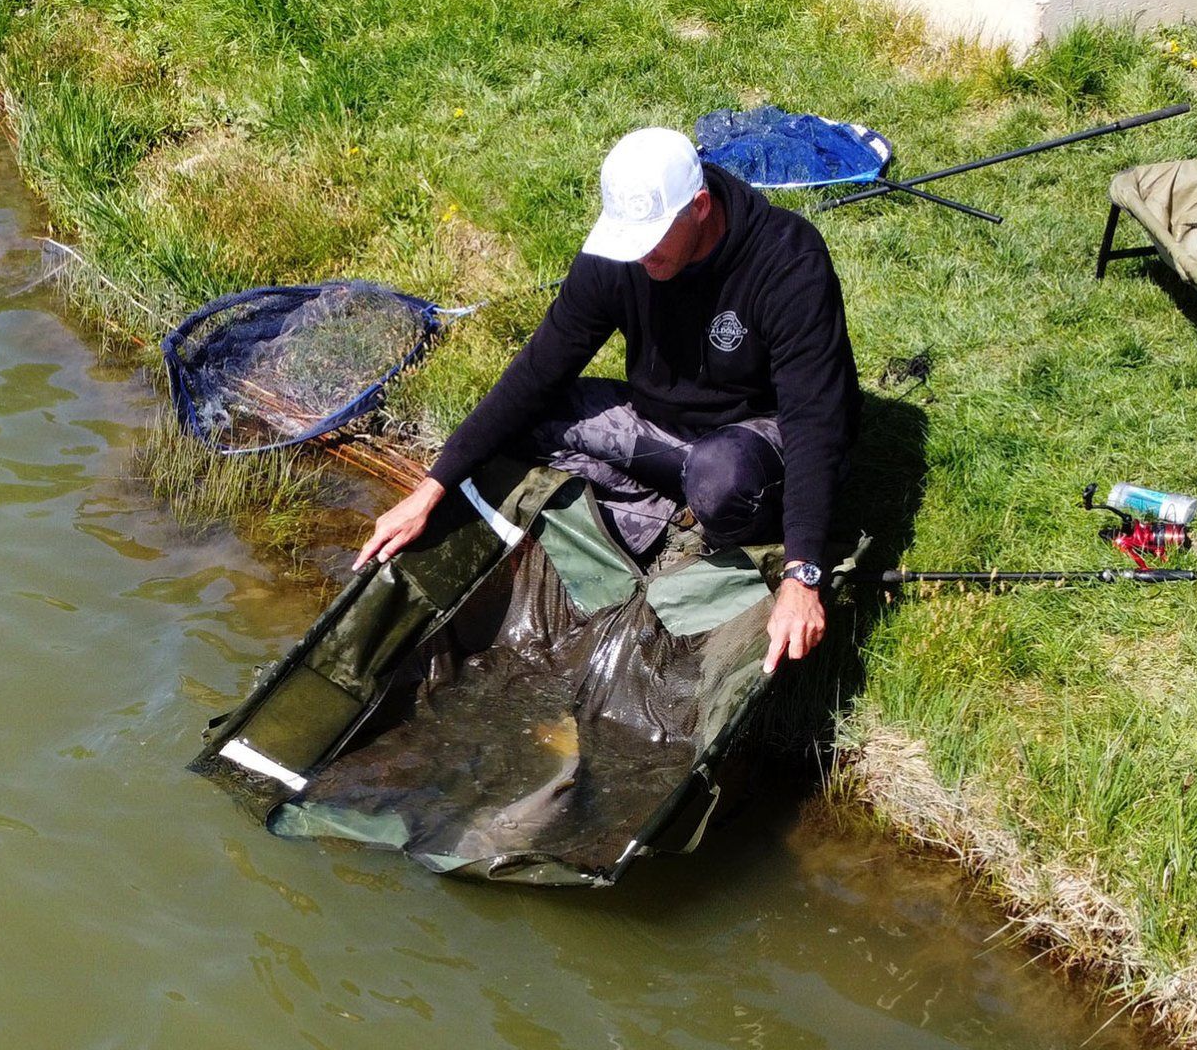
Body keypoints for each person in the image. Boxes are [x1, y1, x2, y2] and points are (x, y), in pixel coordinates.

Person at [356, 126, 861, 672]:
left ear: (699, 207)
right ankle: (659, 517)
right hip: (663, 425)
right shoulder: (621, 256)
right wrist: (433, 486)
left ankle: (707, 519)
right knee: (529, 420)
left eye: (652, 239)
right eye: (629, 238)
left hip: (755, 437)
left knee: (721, 481)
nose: (640, 256)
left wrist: (803, 572)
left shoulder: (788, 261)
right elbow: (538, 371)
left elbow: (816, 424)